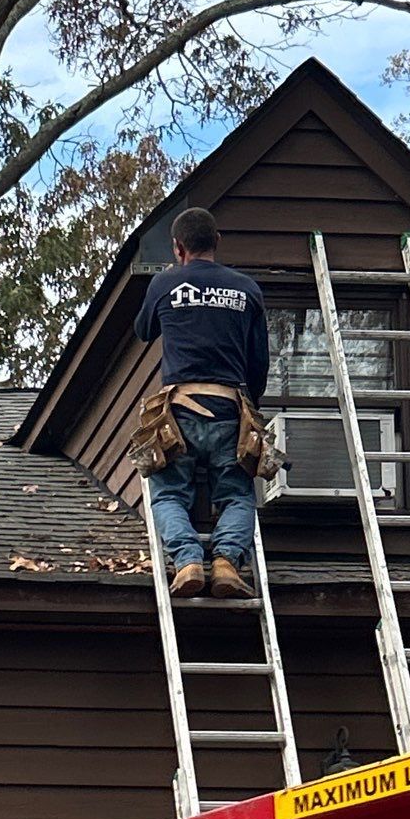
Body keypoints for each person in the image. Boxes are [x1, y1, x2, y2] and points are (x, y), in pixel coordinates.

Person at [134, 207, 269, 599]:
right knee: (238, 495)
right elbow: (259, 361)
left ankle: (188, 559)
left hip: (178, 411)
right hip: (230, 409)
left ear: (178, 248)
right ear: (217, 243)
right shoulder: (247, 289)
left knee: (169, 492)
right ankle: (227, 562)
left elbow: (143, 329)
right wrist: (251, 408)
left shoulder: (165, 283)